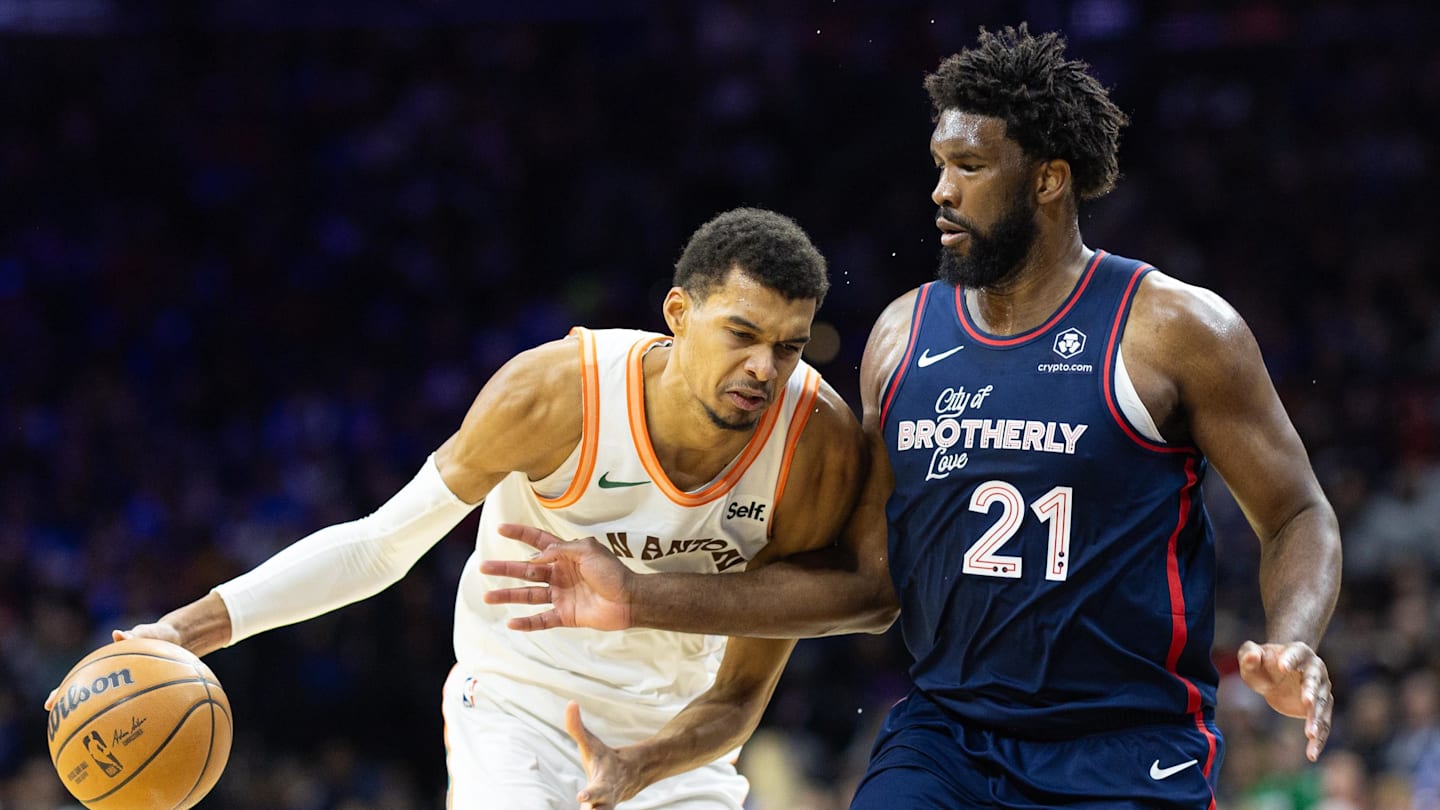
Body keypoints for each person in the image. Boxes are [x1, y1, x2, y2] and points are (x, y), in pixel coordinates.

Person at [483, 25, 1342, 809]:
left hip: (1125, 744)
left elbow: (1298, 513)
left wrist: (1295, 641)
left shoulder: (1174, 330)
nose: (940, 190)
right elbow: (869, 587)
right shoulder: (901, 337)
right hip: (948, 741)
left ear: (1049, 180)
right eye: (938, 164)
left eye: (969, 166)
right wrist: (637, 595)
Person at [46, 207, 871, 809]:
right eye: (741, 334)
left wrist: (642, 765)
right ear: (679, 314)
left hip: (676, 741)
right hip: (517, 709)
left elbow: (739, 697)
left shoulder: (816, 446)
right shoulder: (555, 394)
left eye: (789, 347)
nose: (765, 369)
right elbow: (380, 545)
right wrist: (186, 629)